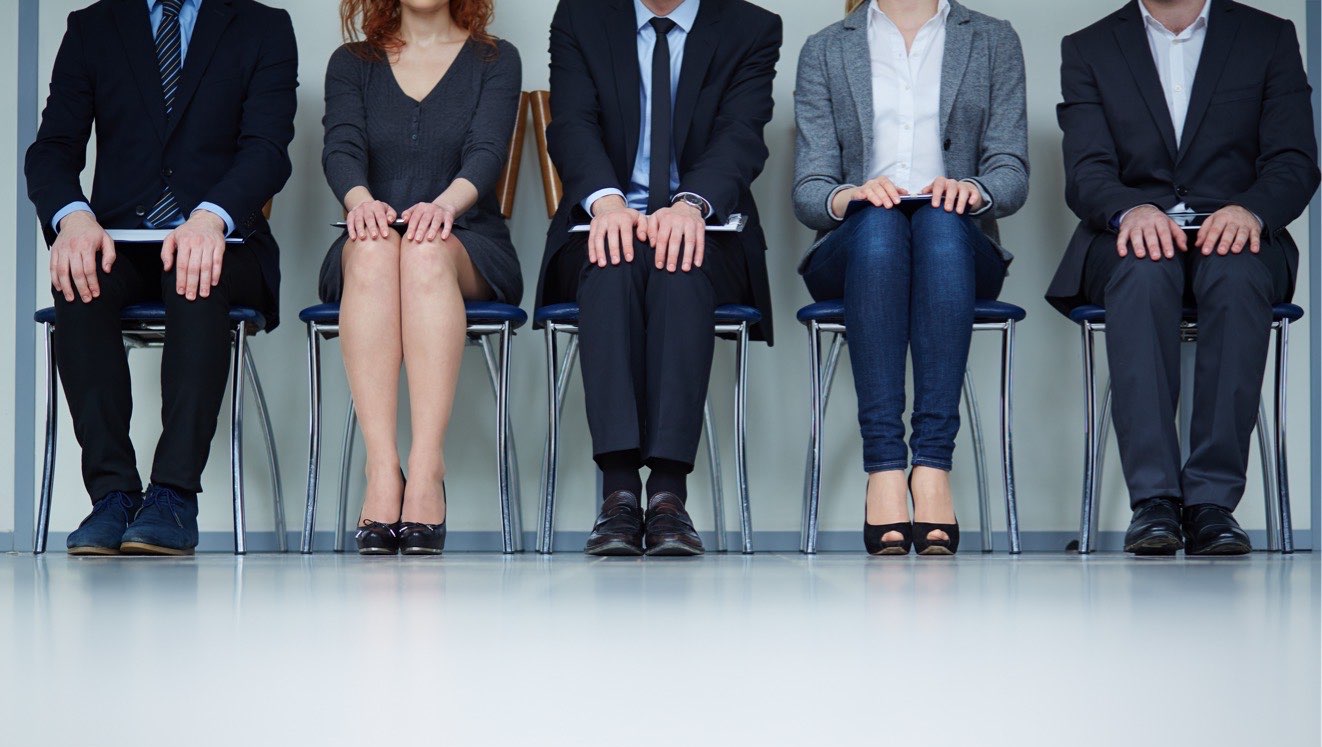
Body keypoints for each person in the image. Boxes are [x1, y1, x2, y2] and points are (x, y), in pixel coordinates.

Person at [25, 0, 298, 556]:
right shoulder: (93, 26)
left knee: (193, 275)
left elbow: (267, 151)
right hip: (120, 240)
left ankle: (173, 496)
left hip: (225, 241)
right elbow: (52, 150)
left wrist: (209, 216)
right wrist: (73, 218)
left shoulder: (264, 25)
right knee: (80, 281)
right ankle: (113, 496)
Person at [1048, 0, 1319, 556]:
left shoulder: (1267, 36)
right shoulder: (1089, 46)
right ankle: (1155, 503)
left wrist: (1251, 211)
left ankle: (1211, 505)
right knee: (1145, 272)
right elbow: (1086, 171)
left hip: (1238, 232)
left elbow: (1294, 159)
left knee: (1237, 273)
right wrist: (1131, 211)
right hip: (1128, 237)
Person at [537, 0, 782, 558]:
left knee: (679, 264)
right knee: (613, 263)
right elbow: (572, 124)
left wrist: (690, 205)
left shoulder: (751, 27)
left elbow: (740, 135)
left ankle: (669, 496)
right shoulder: (581, 17)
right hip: (605, 222)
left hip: (707, 229)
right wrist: (608, 202)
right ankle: (620, 494)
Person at [793, 0, 1028, 556]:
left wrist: (973, 189)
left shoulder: (993, 39)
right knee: (879, 225)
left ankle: (931, 466)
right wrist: (849, 194)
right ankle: (884, 468)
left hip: (959, 249)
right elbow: (809, 188)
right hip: (853, 252)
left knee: (941, 225)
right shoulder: (827, 47)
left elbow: (1011, 170)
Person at [321, 0, 523, 556]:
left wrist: (445, 208)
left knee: (425, 251)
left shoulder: (495, 60)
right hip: (374, 239)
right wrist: (361, 203)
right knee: (377, 249)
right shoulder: (352, 62)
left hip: (467, 241)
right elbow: (341, 148)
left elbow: (487, 152)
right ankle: (383, 469)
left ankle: (427, 467)